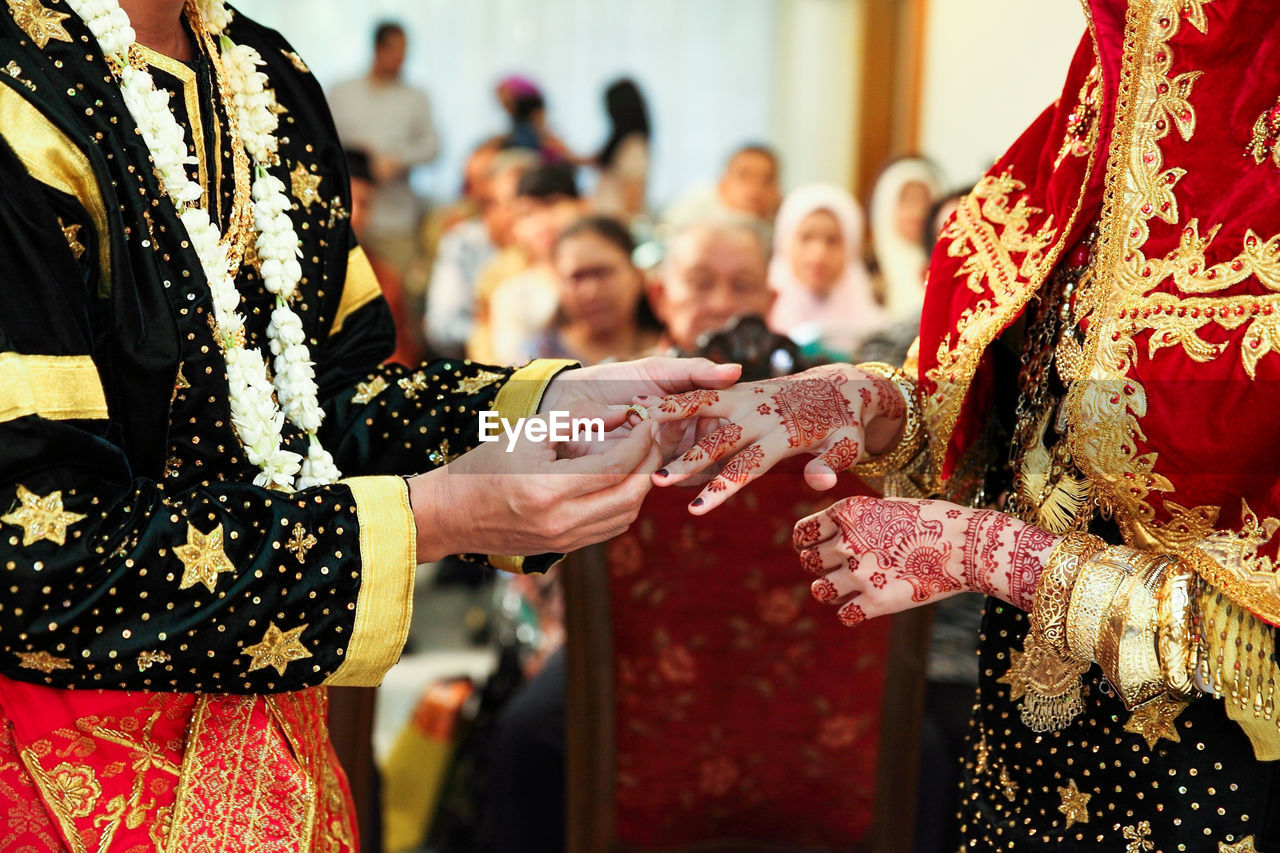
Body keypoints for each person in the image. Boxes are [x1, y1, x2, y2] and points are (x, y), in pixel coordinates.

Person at [0, 1, 743, 848]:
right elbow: (30, 558)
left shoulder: (260, 69)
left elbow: (329, 408)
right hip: (48, 769)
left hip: (279, 747)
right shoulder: (21, 82)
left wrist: (549, 411)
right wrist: (438, 516)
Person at [641, 5, 1280, 850]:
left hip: (1217, 792)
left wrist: (990, 554)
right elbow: (998, 404)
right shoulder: (1084, 133)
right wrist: (859, 404)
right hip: (1020, 754)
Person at [328, 21, 440, 274]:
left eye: (404, 53)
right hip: (348, 213)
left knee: (393, 290)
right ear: (378, 49)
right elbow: (322, 140)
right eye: (395, 52)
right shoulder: (342, 91)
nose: (401, 60)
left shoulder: (416, 97)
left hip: (395, 217)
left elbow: (433, 147)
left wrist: (400, 159)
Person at [424, 148, 537, 358]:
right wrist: (495, 331)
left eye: (517, 205)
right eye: (494, 203)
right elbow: (441, 327)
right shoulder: (463, 242)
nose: (507, 214)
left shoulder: (550, 246)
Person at [479, 162, 586, 365]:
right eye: (527, 213)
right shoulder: (514, 295)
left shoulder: (615, 272)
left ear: (583, 205)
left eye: (552, 204)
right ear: (515, 227)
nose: (542, 222)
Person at [766, 183, 886, 361]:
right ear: (786, 241)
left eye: (833, 241)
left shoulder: (878, 334)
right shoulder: (762, 319)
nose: (819, 254)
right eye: (806, 237)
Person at [530, 215, 661, 364]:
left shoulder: (675, 342)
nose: (591, 292)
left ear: (637, 275)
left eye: (602, 272)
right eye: (576, 277)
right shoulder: (539, 360)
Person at [647, 214, 777, 355]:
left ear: (771, 302)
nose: (721, 305)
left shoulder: (798, 374)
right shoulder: (628, 374)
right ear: (660, 296)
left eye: (742, 286)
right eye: (701, 283)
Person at [868, 156, 940, 322]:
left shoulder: (944, 263)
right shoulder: (867, 265)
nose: (917, 212)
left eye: (924, 200)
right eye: (907, 201)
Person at [664, 144, 782, 232]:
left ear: (777, 191)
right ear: (723, 184)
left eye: (767, 179)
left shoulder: (783, 231)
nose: (755, 187)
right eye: (744, 176)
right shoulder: (690, 223)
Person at [593, 78, 652, 222]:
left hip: (615, 221)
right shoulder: (621, 143)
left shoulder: (634, 145)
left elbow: (632, 192)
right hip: (606, 219)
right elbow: (594, 160)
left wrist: (625, 223)